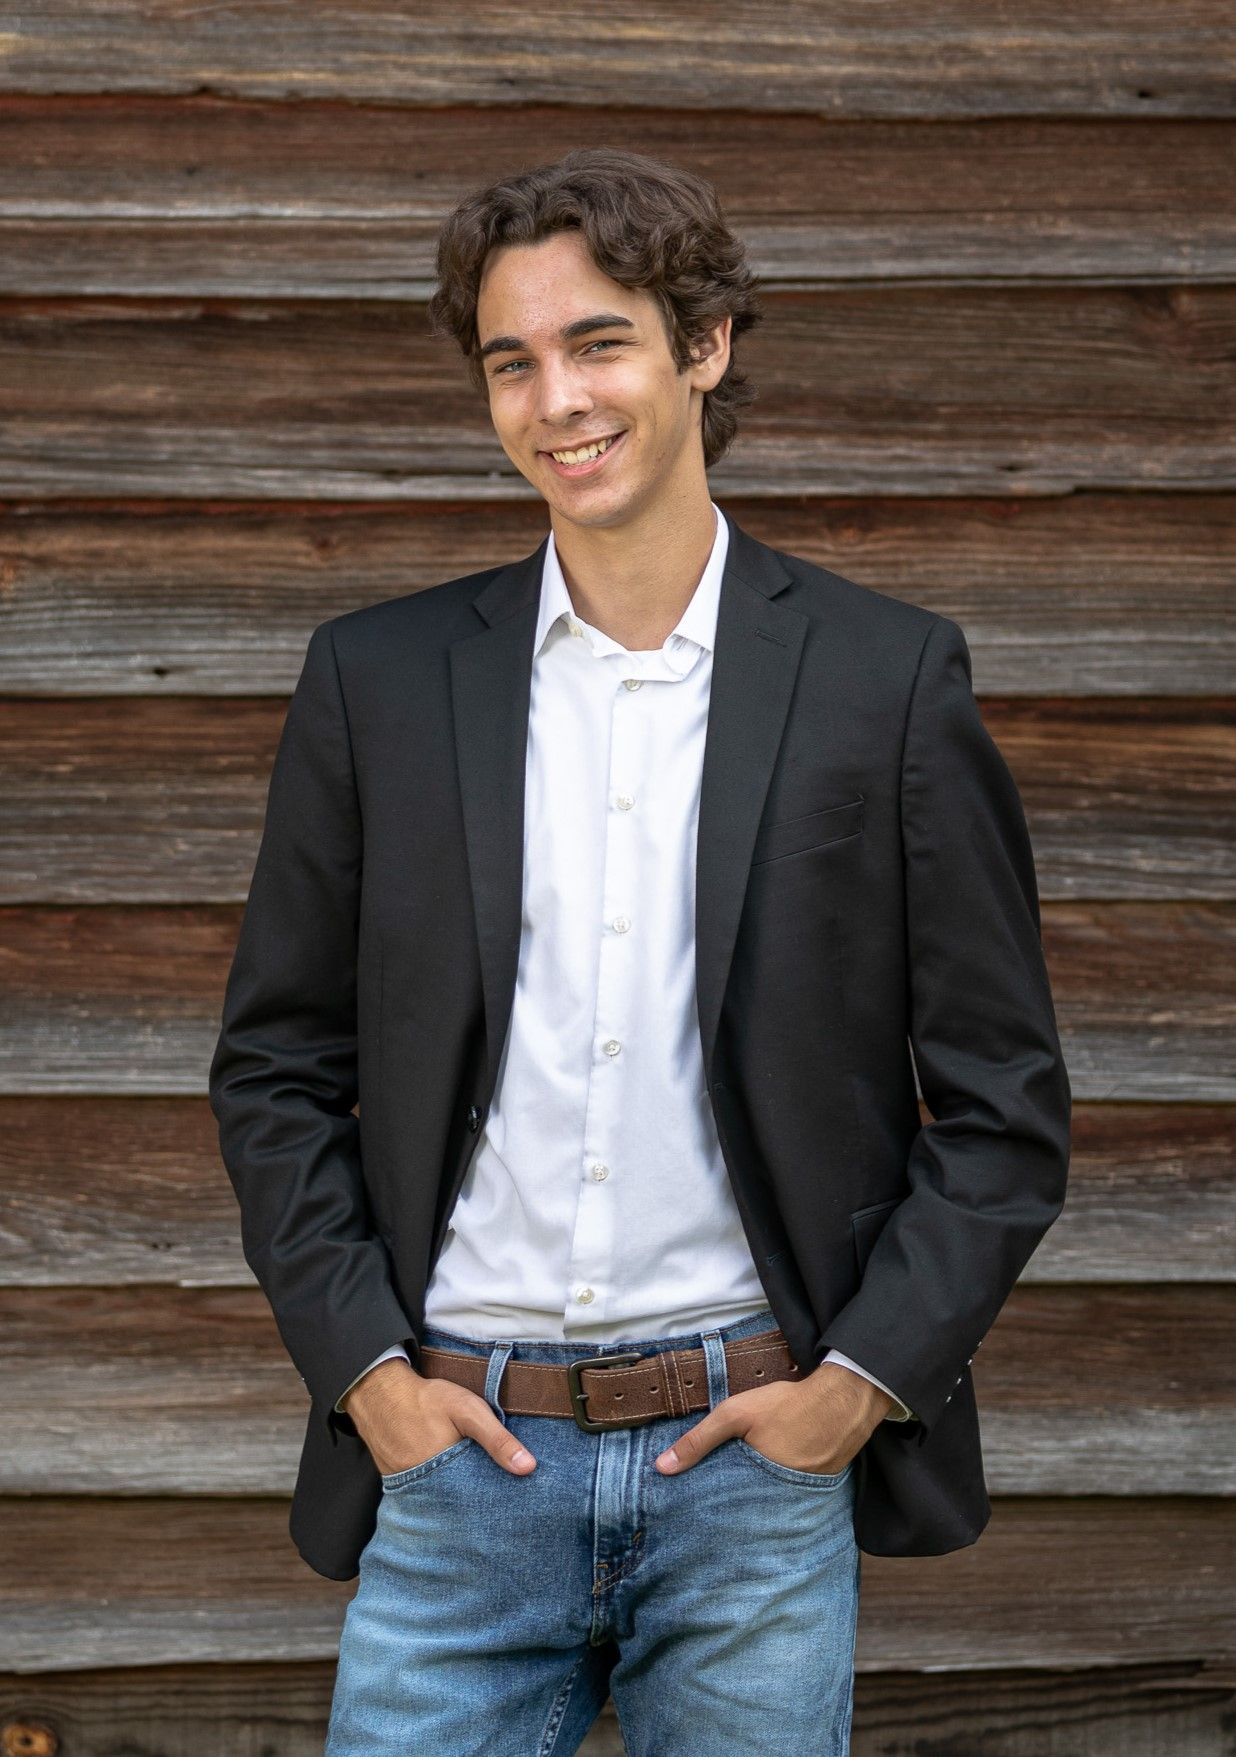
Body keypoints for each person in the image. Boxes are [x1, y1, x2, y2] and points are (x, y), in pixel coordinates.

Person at [209, 147, 1071, 1756]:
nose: (556, 399)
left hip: (753, 1472)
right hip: (458, 1469)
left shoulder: (886, 682)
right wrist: (374, 1379)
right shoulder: (376, 684)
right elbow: (272, 1067)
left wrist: (854, 1388)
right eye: (511, 360)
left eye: (598, 340)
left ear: (704, 344)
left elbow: (1007, 1107)